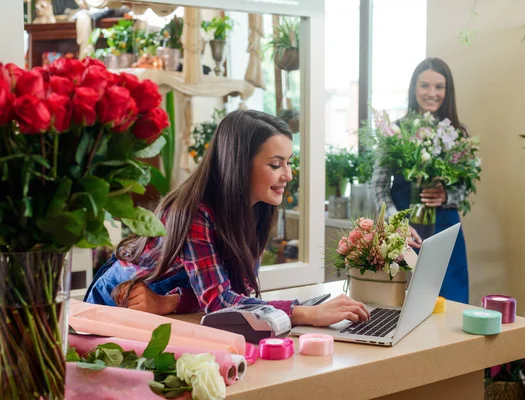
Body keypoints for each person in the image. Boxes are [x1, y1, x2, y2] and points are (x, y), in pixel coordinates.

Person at [84, 109, 372, 327]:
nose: (288, 175)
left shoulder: (257, 207)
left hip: (161, 305)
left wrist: (170, 302)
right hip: (117, 303)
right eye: (276, 164)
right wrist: (305, 312)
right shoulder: (193, 211)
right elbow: (219, 301)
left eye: (289, 162)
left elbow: (235, 291)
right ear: (239, 165)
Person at [371, 57, 470, 304]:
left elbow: (465, 187)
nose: (432, 93)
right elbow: (379, 186)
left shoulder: (458, 134)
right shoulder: (394, 133)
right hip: (407, 233)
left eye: (439, 87)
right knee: (405, 304)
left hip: (446, 232)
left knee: (451, 303)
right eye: (425, 85)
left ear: (448, 92)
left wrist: (447, 196)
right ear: (414, 89)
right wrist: (396, 222)